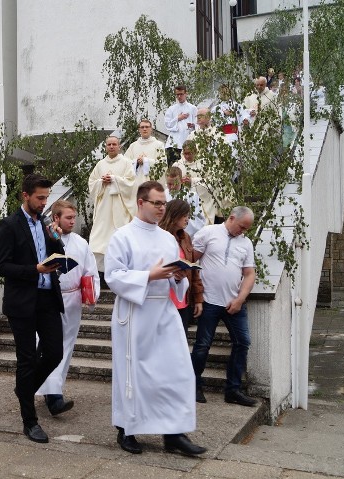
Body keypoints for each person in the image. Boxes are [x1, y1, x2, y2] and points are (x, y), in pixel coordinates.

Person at [106, 180, 206, 456]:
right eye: (157, 203)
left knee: (178, 371)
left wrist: (177, 277)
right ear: (141, 202)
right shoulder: (123, 236)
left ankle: (173, 433)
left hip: (163, 310)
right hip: (135, 313)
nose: (162, 208)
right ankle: (127, 429)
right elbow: (113, 277)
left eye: (164, 203)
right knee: (134, 374)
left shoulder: (166, 238)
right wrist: (148, 275)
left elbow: (177, 280)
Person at [0, 173, 66, 443]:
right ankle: (30, 421)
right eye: (40, 198)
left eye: (46, 197)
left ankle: (23, 390)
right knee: (26, 360)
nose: (44, 202)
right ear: (25, 195)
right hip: (23, 301)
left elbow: (56, 252)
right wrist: (34, 269)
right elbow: (2, 266)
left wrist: (57, 240)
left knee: (54, 353)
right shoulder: (9, 225)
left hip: (48, 297)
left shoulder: (46, 223)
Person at [36, 200, 100, 414]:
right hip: (49, 298)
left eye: (74, 218)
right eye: (68, 218)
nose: (73, 221)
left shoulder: (81, 243)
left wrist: (91, 294)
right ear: (56, 218)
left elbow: (90, 271)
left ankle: (52, 391)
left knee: (66, 347)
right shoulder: (43, 239)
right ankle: (54, 396)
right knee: (50, 345)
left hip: (72, 300)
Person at [191, 206, 258, 407]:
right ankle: (193, 385)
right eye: (242, 226)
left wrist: (240, 299)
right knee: (202, 345)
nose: (243, 231)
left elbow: (249, 274)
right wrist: (196, 296)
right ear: (231, 218)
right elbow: (190, 262)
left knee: (242, 342)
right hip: (209, 300)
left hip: (233, 302)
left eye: (246, 229)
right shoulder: (208, 233)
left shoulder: (246, 244)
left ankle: (233, 390)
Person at [88, 136, 137, 273]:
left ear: (119, 146)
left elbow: (131, 183)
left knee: (118, 236)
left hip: (119, 205)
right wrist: (101, 182)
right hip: (104, 206)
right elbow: (92, 182)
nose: (111, 146)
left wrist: (115, 179)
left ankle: (121, 267)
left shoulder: (126, 163)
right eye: (109, 144)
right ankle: (101, 271)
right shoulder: (100, 164)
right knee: (100, 237)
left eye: (114, 144)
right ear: (105, 147)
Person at [159, 199, 204, 334]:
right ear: (175, 215)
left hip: (183, 299)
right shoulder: (158, 236)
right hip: (163, 299)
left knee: (181, 342)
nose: (187, 220)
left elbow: (193, 271)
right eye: (185, 216)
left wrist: (198, 299)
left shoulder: (186, 237)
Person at [125, 119, 165, 190]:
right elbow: (125, 163)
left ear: (151, 129)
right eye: (142, 127)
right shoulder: (133, 146)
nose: (144, 129)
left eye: (147, 127)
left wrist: (146, 161)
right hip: (136, 184)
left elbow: (162, 164)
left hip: (152, 183)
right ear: (139, 130)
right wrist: (136, 161)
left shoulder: (159, 145)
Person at [161, 85, 197, 165]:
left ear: (186, 94)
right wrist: (178, 118)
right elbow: (167, 124)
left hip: (186, 142)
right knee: (172, 169)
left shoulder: (192, 108)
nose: (179, 96)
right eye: (177, 95)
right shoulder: (171, 109)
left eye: (181, 94)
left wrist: (192, 125)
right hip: (173, 144)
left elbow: (197, 124)